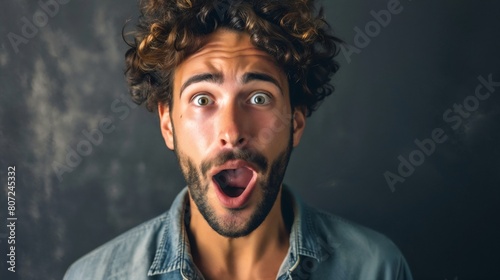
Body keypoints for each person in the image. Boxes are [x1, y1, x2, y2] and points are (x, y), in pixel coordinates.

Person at [64, 0, 413, 279]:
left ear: (296, 122)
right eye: (203, 99)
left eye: (259, 98)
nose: (232, 132)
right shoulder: (95, 276)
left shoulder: (377, 269)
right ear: (168, 124)